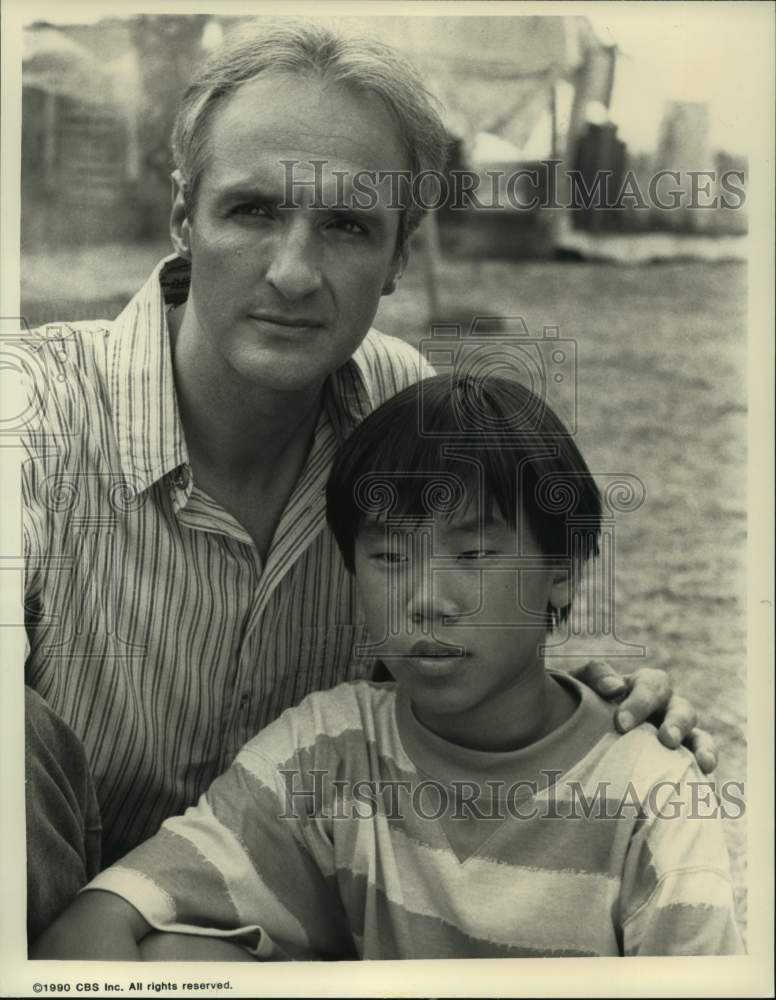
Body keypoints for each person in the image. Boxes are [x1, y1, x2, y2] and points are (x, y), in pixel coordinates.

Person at [22, 19, 715, 943]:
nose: (294, 272)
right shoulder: (30, 416)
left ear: (398, 255)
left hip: (307, 924)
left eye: (347, 224)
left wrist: (609, 715)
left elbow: (480, 633)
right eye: (254, 209)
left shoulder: (406, 420)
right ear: (184, 215)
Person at [32, 375, 743, 960]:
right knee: (175, 956)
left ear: (564, 572)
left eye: (473, 555)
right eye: (389, 558)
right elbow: (94, 926)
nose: (426, 602)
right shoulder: (334, 749)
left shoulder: (649, 793)